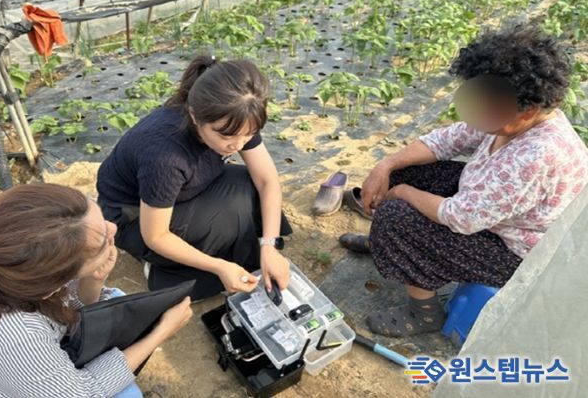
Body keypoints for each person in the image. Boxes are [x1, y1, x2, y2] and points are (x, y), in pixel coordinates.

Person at [339, 25, 588, 337]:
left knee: (397, 216)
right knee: (404, 171)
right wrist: (385, 165)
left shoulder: (538, 154)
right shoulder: (512, 115)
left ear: (528, 110)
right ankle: (384, 243)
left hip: (515, 255)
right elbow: (446, 140)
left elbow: (462, 218)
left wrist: (402, 192)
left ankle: (424, 312)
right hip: (490, 213)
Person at [0, 183, 193, 397]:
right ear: (50, 287)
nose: (112, 228)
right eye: (101, 242)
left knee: (114, 301)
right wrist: (160, 333)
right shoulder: (14, 335)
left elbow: (72, 308)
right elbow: (85, 393)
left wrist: (93, 280)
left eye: (100, 216)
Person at [97, 55, 292, 301]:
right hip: (135, 216)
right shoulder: (166, 156)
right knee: (226, 219)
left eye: (249, 134)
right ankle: (164, 269)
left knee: (248, 187)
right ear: (194, 116)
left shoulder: (238, 117)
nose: (237, 145)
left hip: (180, 191)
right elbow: (156, 236)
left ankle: (244, 251)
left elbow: (266, 180)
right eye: (226, 136)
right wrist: (219, 266)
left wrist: (269, 245)